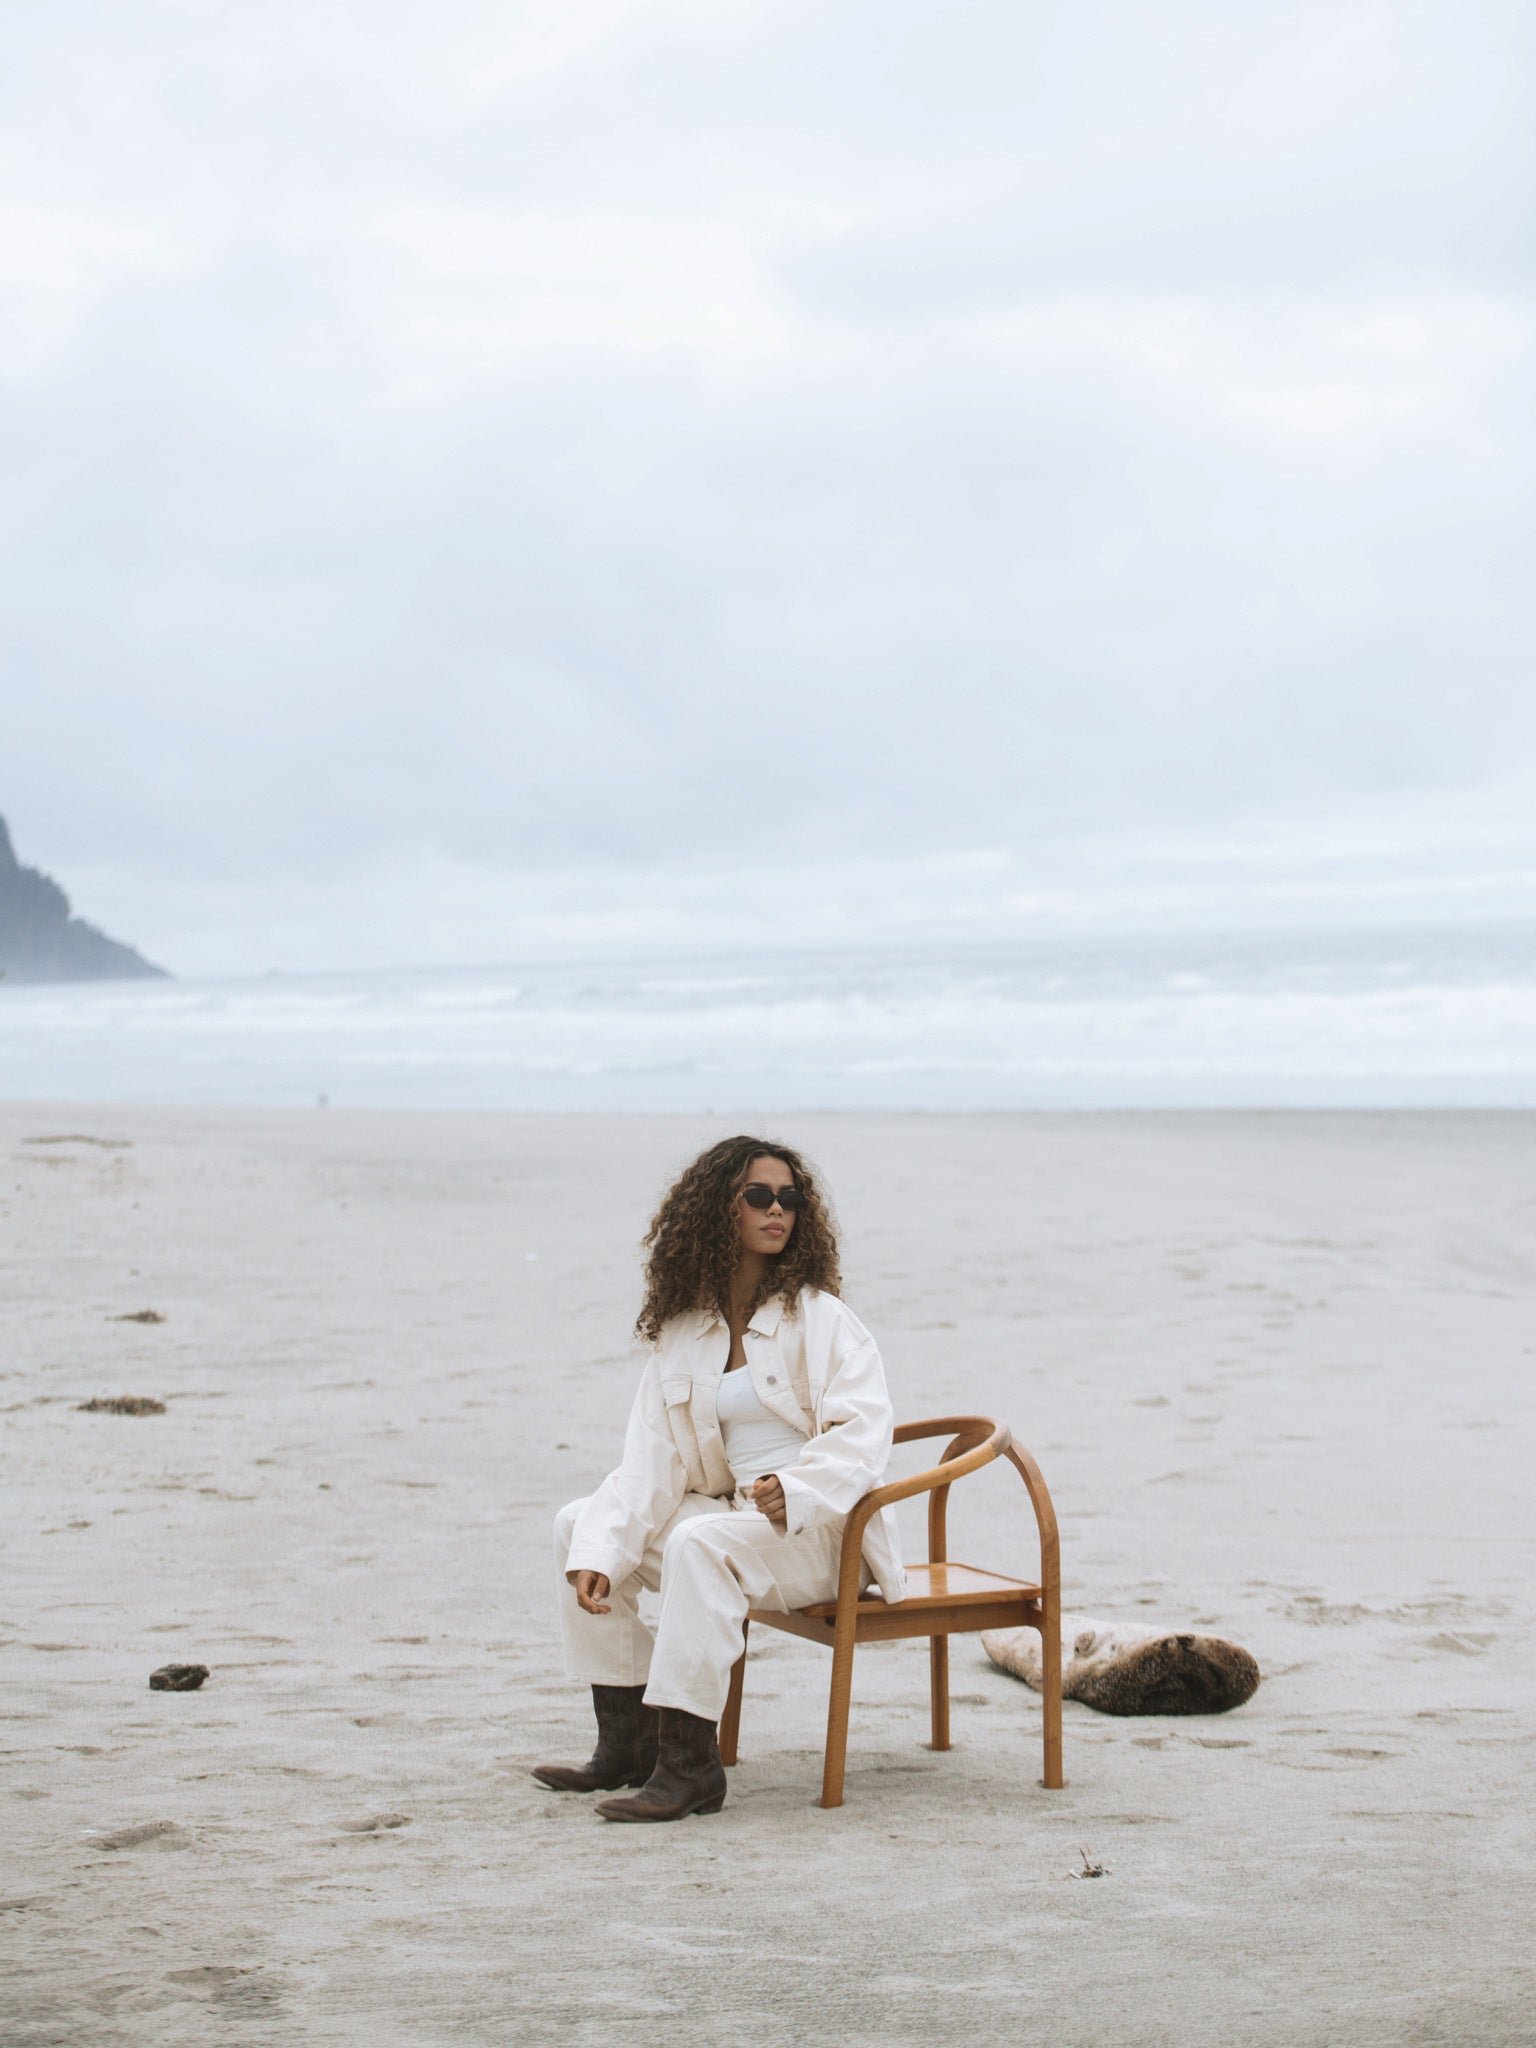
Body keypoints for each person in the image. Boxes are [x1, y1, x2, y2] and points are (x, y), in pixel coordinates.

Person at [534, 1134, 905, 1822]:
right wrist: (603, 1551)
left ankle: (690, 1767)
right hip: (737, 1519)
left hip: (824, 1535)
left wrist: (793, 1489)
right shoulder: (685, 1330)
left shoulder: (824, 1321)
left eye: (790, 1198)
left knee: (698, 1544)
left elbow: (863, 1439)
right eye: (758, 1196)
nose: (778, 1210)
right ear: (716, 1210)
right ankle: (628, 1745)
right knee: (577, 1525)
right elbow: (650, 1459)